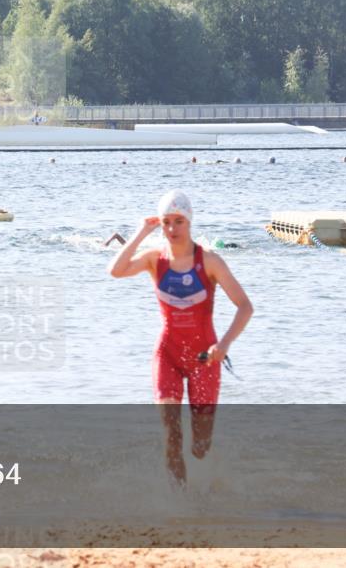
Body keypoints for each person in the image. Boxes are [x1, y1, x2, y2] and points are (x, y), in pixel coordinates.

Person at [108, 189, 253, 486]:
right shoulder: (153, 259)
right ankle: (179, 505)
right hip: (168, 355)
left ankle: (211, 482)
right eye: (166, 222)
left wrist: (223, 345)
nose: (172, 229)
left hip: (205, 357)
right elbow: (115, 271)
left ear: (189, 222)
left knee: (199, 447)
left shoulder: (210, 261)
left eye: (178, 221)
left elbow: (245, 306)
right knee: (171, 434)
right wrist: (141, 232)